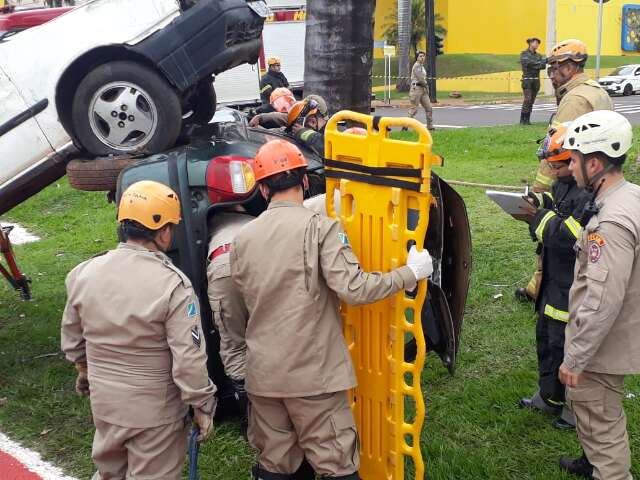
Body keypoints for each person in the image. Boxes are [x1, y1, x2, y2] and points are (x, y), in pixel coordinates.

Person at [230, 139, 433, 479]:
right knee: (336, 464)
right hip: (315, 378)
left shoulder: (241, 239)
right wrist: (409, 274)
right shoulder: (321, 228)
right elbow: (353, 289)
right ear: (305, 181)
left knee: (276, 464)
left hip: (263, 376)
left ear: (263, 188)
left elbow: (235, 307)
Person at [61, 180, 216, 480]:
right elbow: (189, 358)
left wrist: (83, 369)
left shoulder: (84, 273)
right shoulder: (173, 286)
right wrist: (202, 404)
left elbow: (73, 337)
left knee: (109, 473)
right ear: (163, 231)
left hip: (106, 406)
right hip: (154, 414)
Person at [557, 110, 640, 480]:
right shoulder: (629, 195)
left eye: (573, 160)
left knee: (600, 420)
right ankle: (592, 462)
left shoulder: (609, 223)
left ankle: (605, 470)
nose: (569, 168)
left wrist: (575, 359)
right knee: (595, 413)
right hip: (614, 335)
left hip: (602, 346)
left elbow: (602, 300)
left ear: (594, 163)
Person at [515, 38, 613, 303]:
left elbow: (555, 150)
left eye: (554, 69)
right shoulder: (596, 91)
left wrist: (540, 188)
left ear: (569, 67)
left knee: (553, 230)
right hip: (599, 175)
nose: (552, 75)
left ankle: (539, 287)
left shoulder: (575, 99)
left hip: (574, 180)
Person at [517, 125, 591, 430]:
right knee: (546, 340)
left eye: (557, 164)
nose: (553, 169)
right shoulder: (563, 184)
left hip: (571, 285)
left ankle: (573, 412)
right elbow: (555, 208)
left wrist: (537, 218)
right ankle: (548, 397)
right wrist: (538, 204)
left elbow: (569, 235)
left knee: (568, 348)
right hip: (552, 280)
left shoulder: (588, 192)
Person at [207, 207, 253, 417]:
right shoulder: (256, 216)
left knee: (234, 343)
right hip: (259, 258)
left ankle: (248, 416)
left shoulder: (209, 220)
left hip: (223, 262)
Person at [519, 37, 546, 125]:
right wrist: (537, 63)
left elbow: (543, 66)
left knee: (532, 101)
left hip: (536, 81)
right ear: (530, 43)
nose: (537, 45)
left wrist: (535, 64)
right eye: (535, 43)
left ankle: (527, 119)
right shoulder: (524, 53)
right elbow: (527, 63)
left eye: (538, 43)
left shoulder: (539, 55)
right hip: (527, 80)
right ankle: (522, 120)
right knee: (527, 99)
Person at [408, 51, 434, 130]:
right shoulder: (416, 66)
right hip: (416, 89)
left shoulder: (422, 66)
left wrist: (426, 88)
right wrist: (426, 86)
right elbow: (420, 79)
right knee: (414, 109)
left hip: (423, 89)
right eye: (420, 56)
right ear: (417, 58)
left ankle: (430, 126)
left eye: (423, 56)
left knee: (429, 108)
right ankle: (405, 126)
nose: (422, 58)